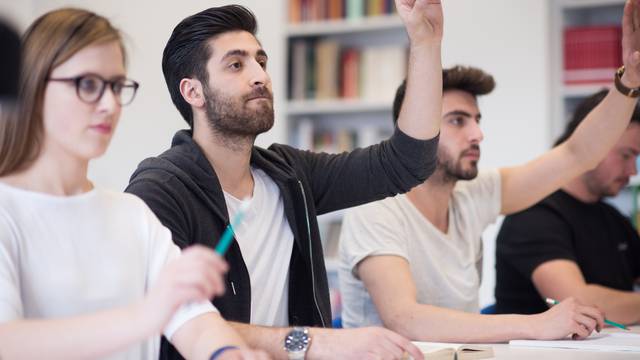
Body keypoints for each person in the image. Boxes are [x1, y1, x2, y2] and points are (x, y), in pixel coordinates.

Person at [126, 1, 442, 359]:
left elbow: (407, 163)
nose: (259, 75)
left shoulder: (290, 175)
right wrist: (313, 342)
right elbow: (170, 317)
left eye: (261, 61)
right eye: (236, 64)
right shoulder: (160, 190)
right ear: (193, 92)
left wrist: (425, 42)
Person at [338, 0, 640, 343]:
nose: (476, 134)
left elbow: (577, 153)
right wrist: (536, 324)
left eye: (477, 121)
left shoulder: (472, 193)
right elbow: (405, 319)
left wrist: (629, 81)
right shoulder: (376, 206)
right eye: (457, 121)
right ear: (413, 125)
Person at [0, 8, 267, 360]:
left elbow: (192, 316)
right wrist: (144, 316)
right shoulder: (7, 212)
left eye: (116, 86)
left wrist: (227, 352)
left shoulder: (131, 213)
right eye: (88, 85)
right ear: (32, 87)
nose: (110, 105)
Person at [495, 89, 640, 325]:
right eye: (626, 155)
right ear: (593, 142)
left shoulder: (613, 218)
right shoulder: (533, 215)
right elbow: (579, 303)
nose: (633, 171)